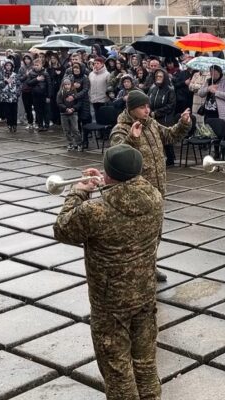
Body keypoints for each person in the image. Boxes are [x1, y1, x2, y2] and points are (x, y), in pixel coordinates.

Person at [53, 144, 163, 400]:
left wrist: (78, 191)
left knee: (117, 369)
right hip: (145, 293)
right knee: (145, 362)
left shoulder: (96, 211)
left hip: (110, 301)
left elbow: (62, 228)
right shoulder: (155, 197)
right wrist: (108, 184)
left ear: (110, 172)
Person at [110, 91, 193, 282]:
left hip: (157, 189)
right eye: (142, 107)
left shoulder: (151, 123)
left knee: (155, 231)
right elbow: (116, 157)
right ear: (131, 109)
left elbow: (170, 136)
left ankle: (150, 265)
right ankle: (134, 269)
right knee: (137, 234)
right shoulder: (121, 129)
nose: (147, 110)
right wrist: (132, 138)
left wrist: (183, 123)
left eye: (148, 106)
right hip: (136, 191)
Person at [199, 64, 225, 160]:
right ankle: (216, 152)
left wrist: (216, 92)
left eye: (215, 71)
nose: (213, 73)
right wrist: (208, 89)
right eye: (211, 71)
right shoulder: (208, 81)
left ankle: (224, 152)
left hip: (221, 112)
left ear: (219, 72)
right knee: (212, 132)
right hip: (209, 111)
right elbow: (200, 93)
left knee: (223, 132)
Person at [148, 69, 176, 166]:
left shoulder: (170, 89)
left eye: (160, 76)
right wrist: (149, 111)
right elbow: (148, 100)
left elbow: (171, 105)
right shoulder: (153, 88)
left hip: (165, 118)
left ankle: (170, 158)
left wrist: (157, 113)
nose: (158, 78)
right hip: (152, 116)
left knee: (166, 139)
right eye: (157, 76)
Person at [57, 78, 82, 151]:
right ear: (63, 85)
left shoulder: (75, 92)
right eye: (65, 84)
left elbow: (79, 103)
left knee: (75, 129)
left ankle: (79, 143)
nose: (67, 86)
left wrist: (73, 109)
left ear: (71, 85)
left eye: (68, 84)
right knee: (66, 130)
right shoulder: (60, 93)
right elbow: (59, 102)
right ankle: (70, 143)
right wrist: (66, 109)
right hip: (63, 114)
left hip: (73, 113)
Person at [0, 59, 21, 133]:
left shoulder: (15, 75)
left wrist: (17, 93)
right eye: (7, 65)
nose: (8, 67)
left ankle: (14, 124)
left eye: (10, 65)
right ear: (4, 66)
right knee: (7, 111)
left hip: (14, 96)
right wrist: (5, 82)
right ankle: (9, 124)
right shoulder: (0, 74)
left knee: (14, 111)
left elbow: (19, 85)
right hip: (5, 96)